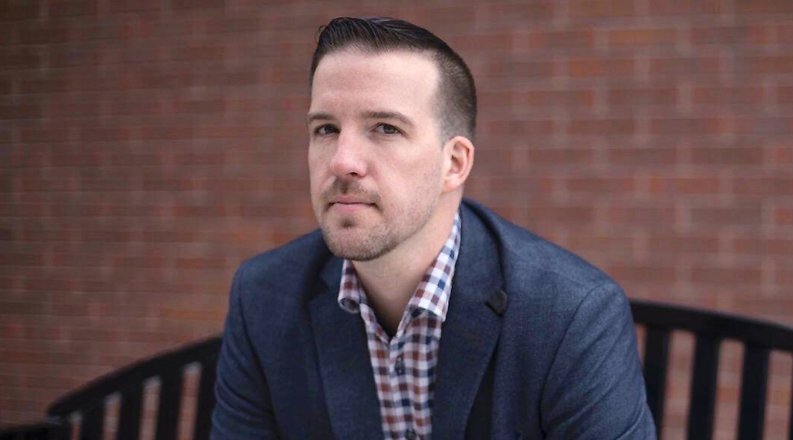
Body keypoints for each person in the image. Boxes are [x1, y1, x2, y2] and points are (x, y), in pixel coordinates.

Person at [211, 16, 655, 440]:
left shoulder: (571, 315)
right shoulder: (265, 298)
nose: (341, 161)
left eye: (385, 127)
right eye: (326, 128)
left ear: (454, 163)